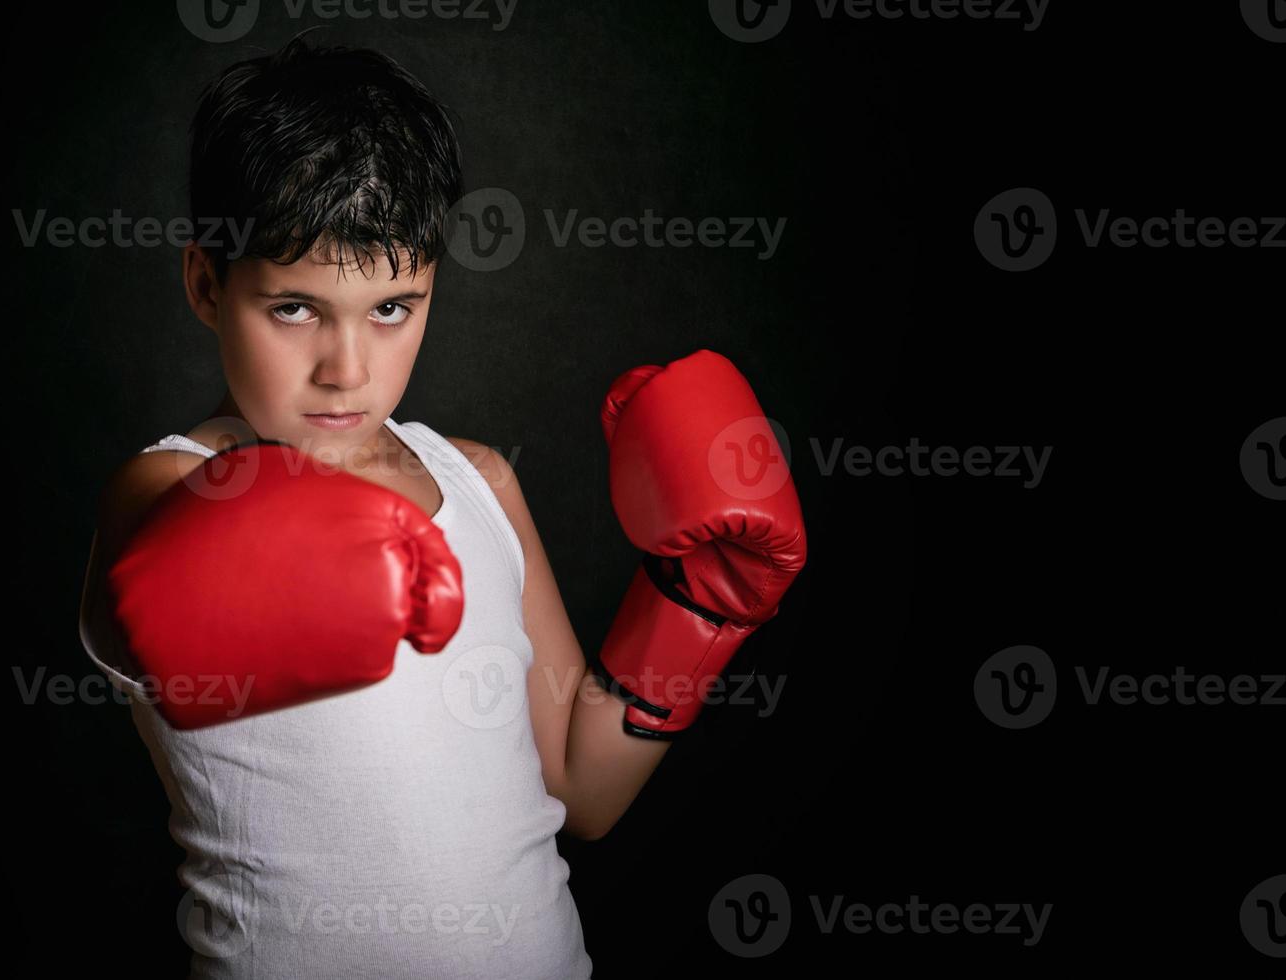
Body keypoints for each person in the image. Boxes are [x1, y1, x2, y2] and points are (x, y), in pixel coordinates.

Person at [78, 34, 805, 980]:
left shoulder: (481, 483)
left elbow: (582, 789)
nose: (347, 370)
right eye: (295, 308)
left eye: (392, 308)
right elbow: (148, 595)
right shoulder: (164, 488)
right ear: (207, 283)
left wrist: (696, 610)